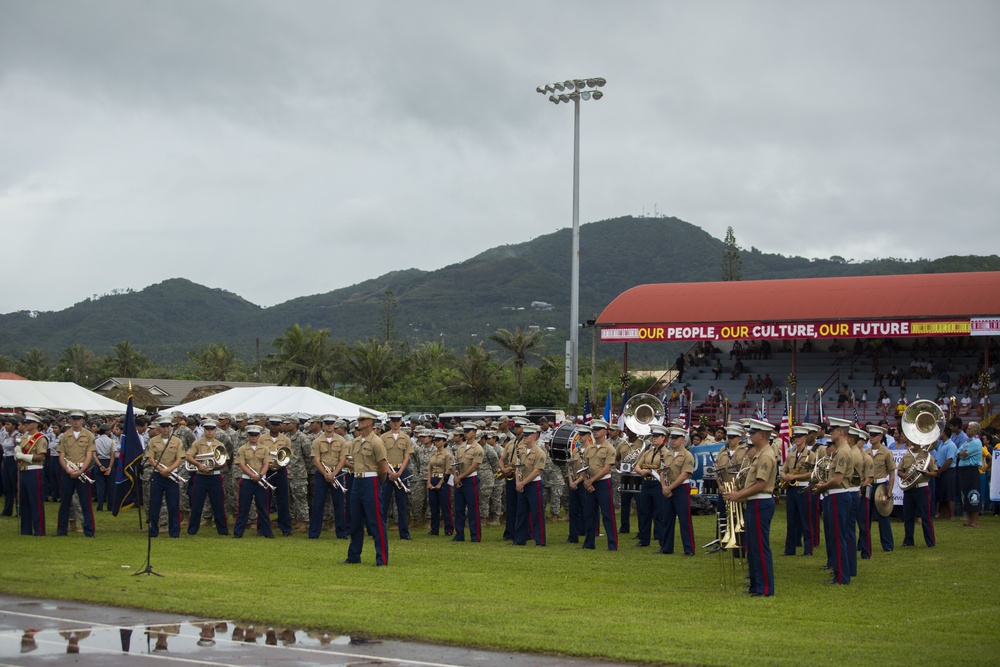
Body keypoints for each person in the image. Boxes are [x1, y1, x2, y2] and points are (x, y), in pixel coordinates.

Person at [722, 419, 777, 597]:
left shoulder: (766, 456)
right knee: (752, 547)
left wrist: (739, 495)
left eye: (753, 433)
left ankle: (765, 588)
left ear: (762, 435)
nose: (749, 436)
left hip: (760, 502)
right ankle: (756, 585)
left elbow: (761, 484)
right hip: (754, 502)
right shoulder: (760, 455)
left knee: (760, 547)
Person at [336, 407, 389, 565]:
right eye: (358, 420)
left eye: (361, 420)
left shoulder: (377, 442)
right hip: (357, 480)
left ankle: (382, 558)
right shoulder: (356, 442)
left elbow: (382, 467)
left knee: (375, 521)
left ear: (370, 422)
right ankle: (354, 555)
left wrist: (378, 482)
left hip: (370, 480)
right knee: (355, 520)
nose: (358, 423)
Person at [813, 417, 854, 584]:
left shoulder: (843, 452)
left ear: (841, 432)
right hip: (835, 495)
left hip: (838, 495)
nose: (831, 432)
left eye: (834, 430)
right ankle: (839, 572)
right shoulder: (840, 450)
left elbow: (838, 480)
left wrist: (822, 487)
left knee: (838, 537)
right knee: (837, 536)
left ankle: (841, 576)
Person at [56, 412, 96, 537]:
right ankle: (62, 530)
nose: (76, 422)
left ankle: (88, 530)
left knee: (85, 502)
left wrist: (81, 470)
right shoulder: (65, 436)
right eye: (74, 419)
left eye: (78, 419)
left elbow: (89, 455)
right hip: (68, 470)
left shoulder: (89, 435)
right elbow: (61, 455)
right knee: (65, 502)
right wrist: (67, 470)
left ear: (83, 420)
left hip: (81, 470)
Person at [185, 420, 229, 536]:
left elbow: (224, 461)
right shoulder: (197, 443)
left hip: (215, 476)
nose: (209, 431)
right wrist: (199, 465)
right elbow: (188, 456)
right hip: (201, 477)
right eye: (207, 429)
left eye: (212, 429)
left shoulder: (220, 444)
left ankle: (222, 530)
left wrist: (213, 467)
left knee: (218, 504)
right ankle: (192, 530)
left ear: (215, 430)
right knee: (196, 504)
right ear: (204, 430)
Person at [581, 419, 618, 551]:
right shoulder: (589, 448)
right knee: (589, 514)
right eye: (594, 430)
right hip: (590, 482)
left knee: (607, 514)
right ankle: (589, 542)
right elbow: (584, 466)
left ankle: (612, 544)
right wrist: (586, 480)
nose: (595, 432)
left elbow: (606, 468)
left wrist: (591, 480)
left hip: (603, 482)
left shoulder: (610, 448)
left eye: (597, 430)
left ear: (605, 431)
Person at [309, 415, 349, 539]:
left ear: (334, 425)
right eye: (327, 423)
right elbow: (316, 460)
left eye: (331, 423)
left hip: (336, 473)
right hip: (322, 475)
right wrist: (326, 474)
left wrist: (334, 473)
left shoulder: (341, 440)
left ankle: (341, 533)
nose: (329, 426)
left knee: (339, 504)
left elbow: (343, 459)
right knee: (318, 504)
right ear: (323, 425)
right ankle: (314, 533)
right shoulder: (317, 441)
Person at [145, 417, 184, 538]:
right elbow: (150, 458)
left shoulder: (177, 441)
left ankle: (174, 532)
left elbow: (179, 458)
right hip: (158, 475)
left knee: (173, 505)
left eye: (168, 426)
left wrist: (169, 470)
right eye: (163, 426)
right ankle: (153, 531)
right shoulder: (153, 441)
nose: (166, 429)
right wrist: (161, 469)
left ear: (171, 427)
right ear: (159, 428)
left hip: (172, 475)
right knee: (155, 504)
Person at [659, 427, 695, 556]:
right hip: (667, 488)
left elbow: (684, 475)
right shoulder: (667, 454)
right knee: (667, 519)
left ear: (682, 440)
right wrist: (664, 486)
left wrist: (669, 488)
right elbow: (662, 471)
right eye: (671, 438)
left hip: (680, 488)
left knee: (684, 520)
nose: (672, 441)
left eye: (675, 438)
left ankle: (689, 548)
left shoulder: (687, 455)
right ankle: (666, 547)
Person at [233, 425, 273, 539]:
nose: (253, 437)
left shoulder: (265, 449)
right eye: (251, 435)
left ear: (259, 436)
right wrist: (252, 475)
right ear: (247, 436)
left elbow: (267, 463)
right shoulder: (242, 449)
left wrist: (260, 475)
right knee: (243, 508)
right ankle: (238, 532)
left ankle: (267, 532)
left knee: (263, 508)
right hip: (247, 480)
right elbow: (241, 464)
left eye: (256, 435)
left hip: (261, 479)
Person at [779, 426, 813, 556]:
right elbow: (784, 469)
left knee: (805, 519)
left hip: (803, 488)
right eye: (795, 437)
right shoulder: (791, 454)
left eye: (799, 437)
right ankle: (790, 549)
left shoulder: (810, 455)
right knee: (791, 520)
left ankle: (808, 549)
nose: (796, 440)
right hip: (791, 488)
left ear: (805, 438)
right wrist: (784, 476)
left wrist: (795, 476)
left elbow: (811, 473)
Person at [380, 411, 414, 540]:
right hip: (387, 471)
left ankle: (404, 533)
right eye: (393, 420)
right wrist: (389, 471)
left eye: (397, 420)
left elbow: (407, 456)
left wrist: (399, 472)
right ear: (389, 422)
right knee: (384, 502)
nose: (395, 423)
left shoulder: (405, 438)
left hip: (400, 470)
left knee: (402, 503)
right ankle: (380, 531)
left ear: (401, 422)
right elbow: (381, 457)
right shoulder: (383, 437)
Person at [900, 436, 938, 547]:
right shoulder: (906, 455)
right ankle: (908, 540)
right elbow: (899, 471)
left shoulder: (927, 456)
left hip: (922, 488)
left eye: (915, 441)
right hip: (908, 489)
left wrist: (927, 473)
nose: (913, 443)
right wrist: (904, 475)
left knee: (925, 516)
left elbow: (935, 472)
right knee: (908, 516)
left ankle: (930, 542)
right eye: (912, 441)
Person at [513, 423, 546, 546]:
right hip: (522, 484)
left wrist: (522, 483)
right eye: (524, 436)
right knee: (521, 513)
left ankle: (540, 540)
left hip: (533, 484)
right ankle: (520, 539)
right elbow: (518, 467)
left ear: (534, 437)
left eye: (527, 436)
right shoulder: (520, 450)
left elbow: (537, 470)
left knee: (537, 513)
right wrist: (518, 482)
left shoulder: (539, 452)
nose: (525, 438)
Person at [259, 416, 293, 536]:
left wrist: (278, 466)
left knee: (283, 500)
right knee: (264, 500)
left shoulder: (286, 440)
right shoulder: (262, 438)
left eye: (277, 424)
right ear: (269, 425)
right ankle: (262, 528)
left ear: (280, 426)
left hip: (280, 471)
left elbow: (288, 457)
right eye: (273, 424)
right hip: (266, 471)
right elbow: (259, 455)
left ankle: (285, 528)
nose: (275, 426)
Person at [15, 413, 48, 536]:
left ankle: (39, 530)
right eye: (25, 423)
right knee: (24, 501)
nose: (26, 425)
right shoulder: (24, 437)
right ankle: (26, 529)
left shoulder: (40, 438)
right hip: (23, 470)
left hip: (35, 470)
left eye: (28, 423)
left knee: (35, 501)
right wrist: (18, 454)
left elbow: (41, 456)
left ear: (35, 424)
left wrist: (24, 456)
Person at [634, 425, 666, 547]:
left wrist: (652, 471)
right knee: (645, 512)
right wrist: (642, 472)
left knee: (659, 513)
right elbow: (637, 465)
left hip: (658, 483)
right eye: (653, 436)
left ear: (663, 437)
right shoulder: (648, 451)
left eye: (657, 436)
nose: (654, 438)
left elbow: (665, 469)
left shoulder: (666, 453)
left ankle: (661, 539)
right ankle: (644, 539)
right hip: (647, 482)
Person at [452, 422, 484, 542]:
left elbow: (474, 466)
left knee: (473, 509)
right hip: (459, 479)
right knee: (459, 509)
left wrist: (460, 477)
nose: (466, 434)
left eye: (469, 431)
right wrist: (456, 477)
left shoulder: (478, 448)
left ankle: (475, 536)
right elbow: (455, 463)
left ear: (475, 433)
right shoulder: (460, 447)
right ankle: (459, 534)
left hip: (471, 480)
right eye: (465, 431)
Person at [867, 425, 896, 552]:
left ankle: (888, 544)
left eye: (874, 436)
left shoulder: (886, 452)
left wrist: (889, 491)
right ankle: (863, 544)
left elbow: (892, 473)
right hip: (868, 485)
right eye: (870, 435)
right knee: (865, 516)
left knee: (883, 516)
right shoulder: (865, 452)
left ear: (880, 437)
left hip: (880, 485)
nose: (871, 438)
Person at [497, 418, 526, 540]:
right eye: (515, 426)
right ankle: (509, 532)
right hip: (510, 476)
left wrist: (511, 468)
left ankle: (523, 532)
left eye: (519, 427)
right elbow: (502, 458)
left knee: (522, 506)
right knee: (510, 505)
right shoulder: (510, 443)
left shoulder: (527, 444)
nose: (516, 429)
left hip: (522, 476)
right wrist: (503, 468)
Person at [426, 430, 454, 536]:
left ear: (444, 442)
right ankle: (434, 529)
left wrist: (440, 483)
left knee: (445, 506)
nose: (436, 443)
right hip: (433, 479)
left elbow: (448, 470)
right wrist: (429, 482)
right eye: (435, 441)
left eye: (438, 441)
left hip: (443, 480)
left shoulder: (447, 455)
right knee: (433, 506)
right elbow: (429, 469)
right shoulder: (433, 454)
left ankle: (448, 529)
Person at [566, 426, 591, 543]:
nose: (580, 437)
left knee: (586, 509)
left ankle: (586, 532)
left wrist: (577, 481)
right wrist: (571, 481)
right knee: (573, 510)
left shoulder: (591, 450)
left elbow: (587, 469)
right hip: (574, 482)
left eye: (583, 435)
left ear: (588, 436)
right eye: (579, 435)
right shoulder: (576, 450)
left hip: (583, 482)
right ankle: (573, 535)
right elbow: (570, 466)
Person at [957, 422, 983, 527]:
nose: (967, 430)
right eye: (967, 429)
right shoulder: (967, 442)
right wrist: (961, 453)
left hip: (971, 470)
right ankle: (970, 519)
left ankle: (975, 521)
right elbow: (958, 451)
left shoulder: (976, 442)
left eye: (969, 429)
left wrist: (962, 453)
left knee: (973, 493)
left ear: (975, 431)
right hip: (964, 471)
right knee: (965, 493)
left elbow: (965, 454)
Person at [92, 423, 118, 512]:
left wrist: (100, 465)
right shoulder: (111, 441)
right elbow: (113, 455)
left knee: (100, 486)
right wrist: (110, 467)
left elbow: (94, 455)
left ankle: (100, 505)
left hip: (99, 462)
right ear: (107, 431)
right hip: (108, 462)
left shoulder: (96, 441)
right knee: (111, 487)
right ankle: (110, 505)